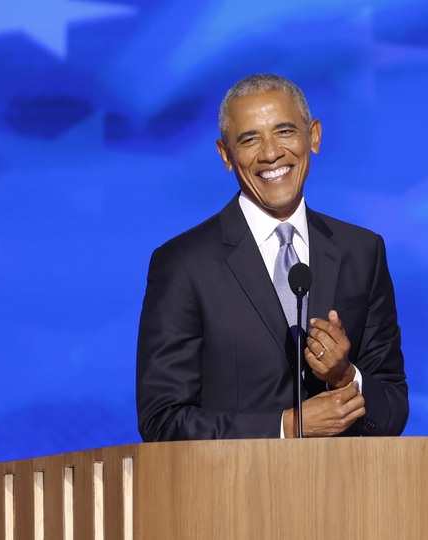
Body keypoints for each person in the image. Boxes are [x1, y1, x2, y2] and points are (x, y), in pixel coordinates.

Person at [136, 74, 408, 440]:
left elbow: (392, 412)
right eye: (249, 139)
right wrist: (287, 426)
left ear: (313, 136)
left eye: (284, 132)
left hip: (343, 492)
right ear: (225, 155)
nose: (270, 153)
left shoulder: (362, 251)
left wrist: (344, 377)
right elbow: (163, 422)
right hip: (232, 493)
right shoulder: (184, 264)